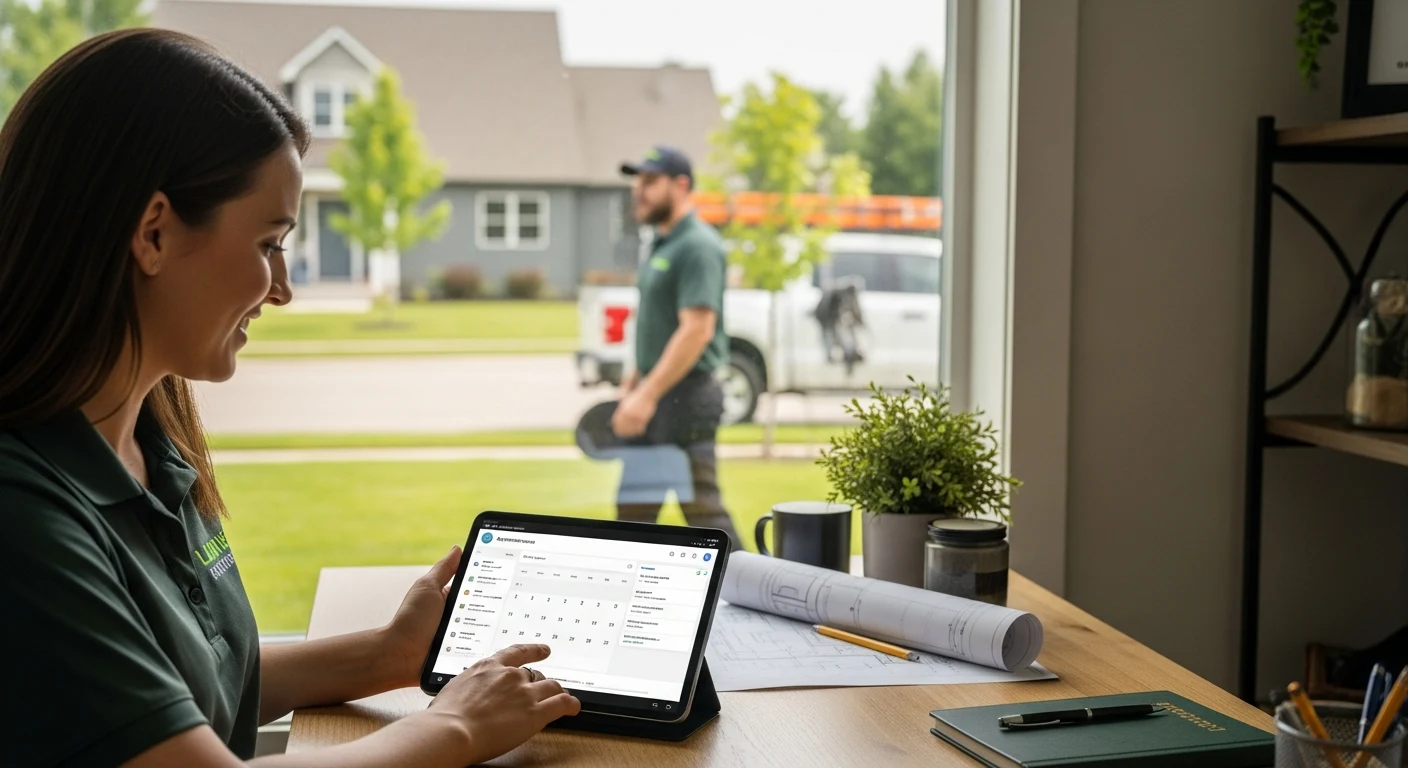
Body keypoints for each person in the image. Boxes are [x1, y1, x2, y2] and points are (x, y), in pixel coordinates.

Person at [0, 29, 577, 767]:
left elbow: (177, 689)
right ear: (153, 233)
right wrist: (455, 729)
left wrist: (388, 654)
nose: (282, 288)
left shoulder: (145, 443)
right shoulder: (23, 515)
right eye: (269, 242)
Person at [612, 146, 742, 550]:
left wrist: (647, 395)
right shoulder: (661, 245)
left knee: (704, 517)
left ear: (681, 185)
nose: (640, 191)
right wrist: (633, 383)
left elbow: (697, 330)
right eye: (638, 182)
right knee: (632, 514)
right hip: (656, 395)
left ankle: (763, 599)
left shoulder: (698, 246)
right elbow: (657, 322)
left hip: (686, 399)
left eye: (651, 182)